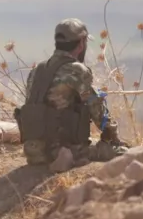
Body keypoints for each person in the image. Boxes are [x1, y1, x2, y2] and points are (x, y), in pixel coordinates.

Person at [18, 18, 129, 172]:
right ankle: (66, 157)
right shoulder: (77, 70)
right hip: (59, 150)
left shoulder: (37, 70)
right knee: (126, 154)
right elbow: (96, 108)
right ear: (81, 43)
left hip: (33, 152)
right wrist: (112, 134)